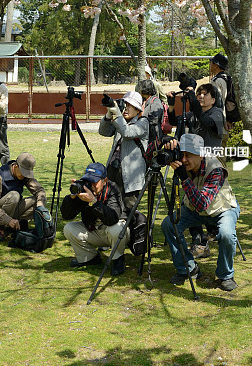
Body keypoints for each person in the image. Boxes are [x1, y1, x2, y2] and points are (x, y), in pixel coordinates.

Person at [161, 133, 240, 291]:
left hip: (222, 210)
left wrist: (184, 178)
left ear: (201, 154)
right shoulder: (185, 164)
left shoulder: (216, 168)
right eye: (181, 155)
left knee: (226, 233)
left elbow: (203, 203)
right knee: (169, 225)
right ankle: (188, 268)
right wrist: (161, 140)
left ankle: (225, 275)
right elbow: (149, 157)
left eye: (188, 155)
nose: (183, 160)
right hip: (193, 209)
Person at [167, 82, 225, 258]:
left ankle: (212, 233)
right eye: (198, 93)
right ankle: (199, 240)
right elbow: (172, 122)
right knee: (191, 201)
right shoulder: (192, 114)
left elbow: (205, 121)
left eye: (205, 94)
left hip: (211, 166)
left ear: (214, 99)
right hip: (193, 165)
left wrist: (191, 99)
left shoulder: (216, 114)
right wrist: (171, 105)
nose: (200, 96)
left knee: (207, 203)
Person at [61, 162, 129, 276]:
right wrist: (72, 198)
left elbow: (113, 218)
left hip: (114, 232)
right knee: (69, 228)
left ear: (104, 180)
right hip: (95, 230)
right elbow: (66, 216)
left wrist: (93, 201)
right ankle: (90, 258)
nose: (91, 184)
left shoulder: (113, 189)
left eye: (95, 181)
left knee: (116, 229)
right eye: (88, 180)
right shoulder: (84, 190)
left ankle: (118, 260)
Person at [99, 91, 149, 209]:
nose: (125, 109)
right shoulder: (120, 121)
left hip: (131, 175)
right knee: (109, 205)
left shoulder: (143, 122)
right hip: (113, 168)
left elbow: (127, 132)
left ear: (137, 110)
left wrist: (118, 115)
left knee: (128, 209)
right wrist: (108, 115)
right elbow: (104, 132)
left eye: (129, 106)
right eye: (124, 104)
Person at [0, 152, 47, 241]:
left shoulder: (25, 176)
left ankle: (16, 224)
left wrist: (40, 207)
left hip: (13, 210)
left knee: (36, 200)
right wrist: (8, 220)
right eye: (23, 172)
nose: (24, 175)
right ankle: (0, 227)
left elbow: (40, 191)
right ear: (15, 166)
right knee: (14, 195)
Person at [137, 78, 167, 157]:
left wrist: (142, 117)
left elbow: (154, 119)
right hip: (144, 136)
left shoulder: (156, 102)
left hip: (153, 138)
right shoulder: (144, 100)